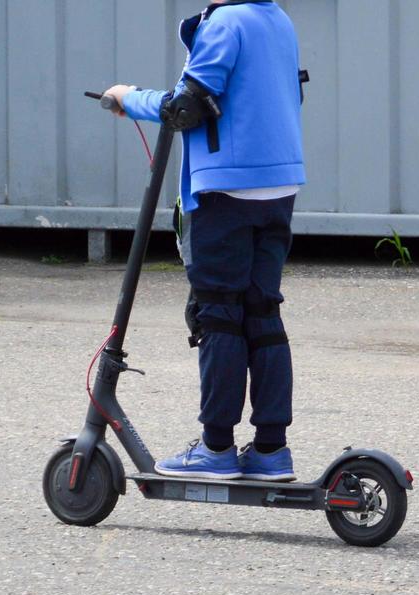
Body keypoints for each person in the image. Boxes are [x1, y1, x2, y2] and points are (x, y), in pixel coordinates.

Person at [102, 0, 306, 482]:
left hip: (225, 189)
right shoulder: (277, 19)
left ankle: (216, 448)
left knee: (218, 313)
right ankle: (271, 449)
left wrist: (127, 97)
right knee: (262, 311)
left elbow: (184, 107)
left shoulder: (226, 22)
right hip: (278, 185)